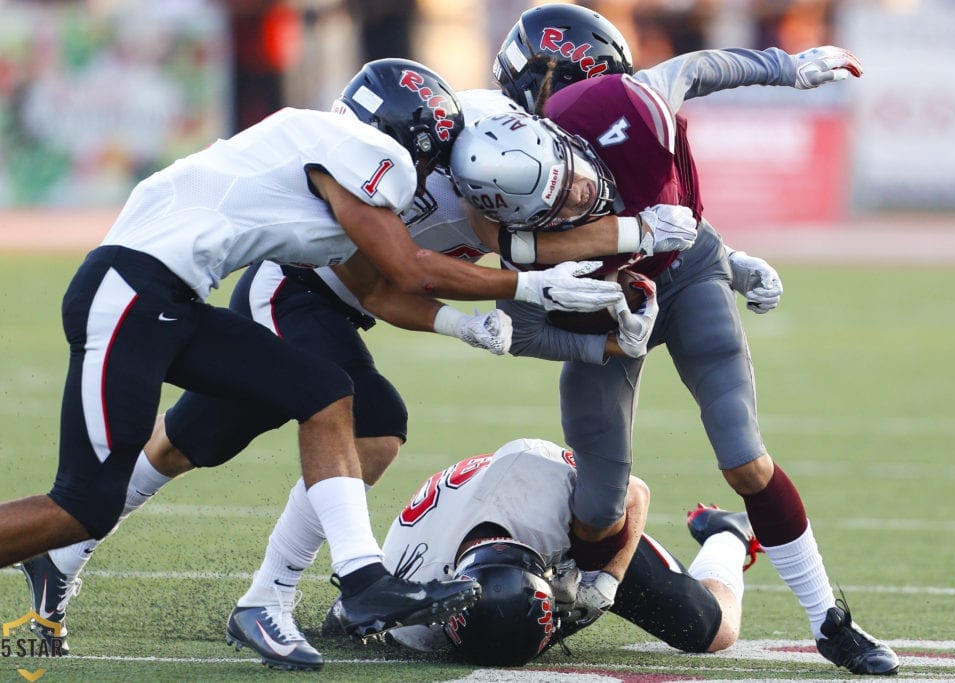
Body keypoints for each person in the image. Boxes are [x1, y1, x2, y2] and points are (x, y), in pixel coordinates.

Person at [15, 82, 696, 667]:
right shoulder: (365, 155)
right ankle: (289, 592)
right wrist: (555, 273)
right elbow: (413, 269)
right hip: (157, 290)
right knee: (88, 500)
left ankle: (94, 567)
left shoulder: (330, 157)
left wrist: (485, 320)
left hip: (174, 296)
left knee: (237, 422)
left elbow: (378, 289)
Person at [454, 4, 898, 676]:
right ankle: (587, 585)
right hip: (607, 311)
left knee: (744, 455)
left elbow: (699, 71)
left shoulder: (630, 106)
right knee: (599, 499)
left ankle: (828, 620)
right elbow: (518, 320)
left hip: (684, 277)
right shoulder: (512, 161)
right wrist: (597, 341)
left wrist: (785, 67)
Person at [319, 437, 761, 665]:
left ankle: (726, 534)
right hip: (468, 532)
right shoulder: (416, 602)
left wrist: (604, 581)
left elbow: (636, 493)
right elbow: (349, 615)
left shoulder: (543, 484)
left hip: (569, 538)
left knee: (712, 631)